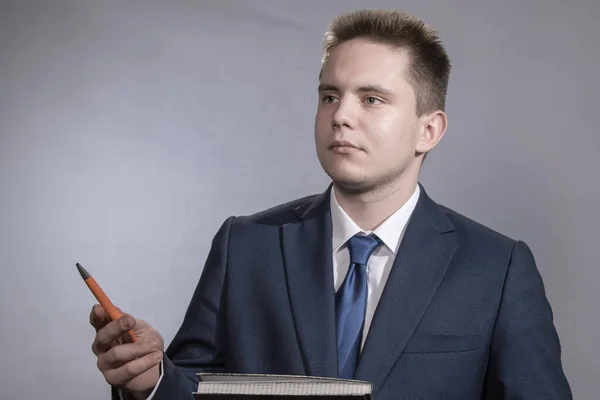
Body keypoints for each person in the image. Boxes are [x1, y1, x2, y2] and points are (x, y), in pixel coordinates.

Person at [89, 9, 572, 400]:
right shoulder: (246, 244)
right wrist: (150, 380)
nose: (340, 115)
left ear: (429, 130)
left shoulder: (496, 267)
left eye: (372, 99)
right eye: (329, 95)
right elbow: (194, 388)